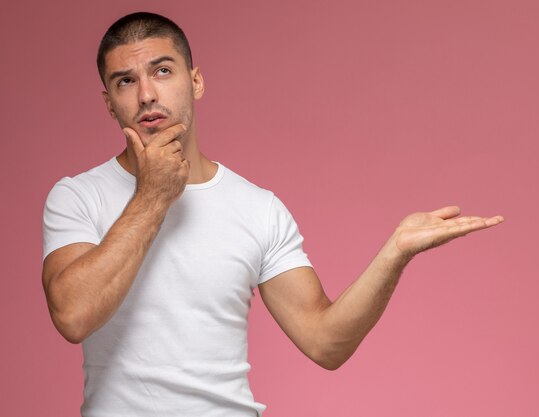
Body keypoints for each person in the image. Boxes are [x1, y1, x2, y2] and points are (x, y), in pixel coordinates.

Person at [42, 12, 504, 417]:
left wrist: (393, 254)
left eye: (162, 71)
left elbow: (325, 342)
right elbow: (73, 316)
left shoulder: (257, 207)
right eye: (125, 80)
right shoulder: (78, 197)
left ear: (195, 80)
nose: (146, 94)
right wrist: (154, 195)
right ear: (109, 102)